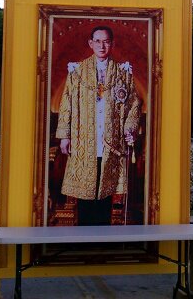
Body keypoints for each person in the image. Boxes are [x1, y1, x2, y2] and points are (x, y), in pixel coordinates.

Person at [55, 25, 141, 226]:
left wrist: (130, 130)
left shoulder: (123, 72)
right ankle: (84, 237)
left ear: (112, 43)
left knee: (105, 191)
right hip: (84, 139)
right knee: (86, 191)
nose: (102, 46)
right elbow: (66, 102)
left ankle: (104, 238)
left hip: (111, 141)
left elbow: (134, 104)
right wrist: (65, 135)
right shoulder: (77, 71)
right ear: (90, 43)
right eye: (98, 41)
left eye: (106, 41)